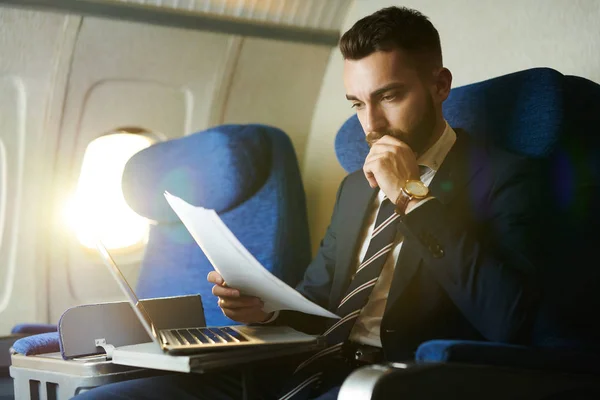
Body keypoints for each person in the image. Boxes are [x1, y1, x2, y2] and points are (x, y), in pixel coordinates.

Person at [75, 6, 542, 400]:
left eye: (390, 96)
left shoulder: (505, 178)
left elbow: (510, 322)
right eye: (357, 104)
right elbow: (320, 301)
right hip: (303, 367)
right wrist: (267, 309)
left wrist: (408, 194)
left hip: (396, 383)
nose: (372, 124)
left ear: (440, 86)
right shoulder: (356, 187)